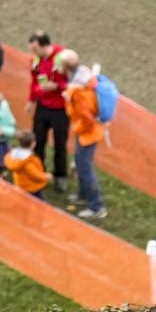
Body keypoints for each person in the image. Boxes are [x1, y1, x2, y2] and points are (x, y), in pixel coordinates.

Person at [58, 49, 106, 219]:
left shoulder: (77, 91)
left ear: (65, 67)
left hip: (88, 132)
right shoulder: (84, 74)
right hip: (88, 129)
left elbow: (85, 116)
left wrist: (77, 129)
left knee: (84, 167)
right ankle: (83, 194)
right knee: (80, 162)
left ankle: (96, 206)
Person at [27, 31, 70, 193]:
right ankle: (38, 172)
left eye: (35, 49)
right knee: (38, 141)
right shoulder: (36, 61)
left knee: (60, 144)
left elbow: (73, 82)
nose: (34, 53)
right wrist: (31, 100)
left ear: (45, 46)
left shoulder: (63, 57)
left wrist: (58, 87)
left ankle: (60, 177)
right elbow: (34, 81)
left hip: (60, 109)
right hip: (43, 107)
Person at [3, 131, 50, 200]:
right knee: (40, 204)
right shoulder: (27, 160)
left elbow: (7, 158)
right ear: (33, 144)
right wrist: (46, 176)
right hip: (32, 188)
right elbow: (35, 174)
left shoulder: (15, 155)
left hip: (20, 185)